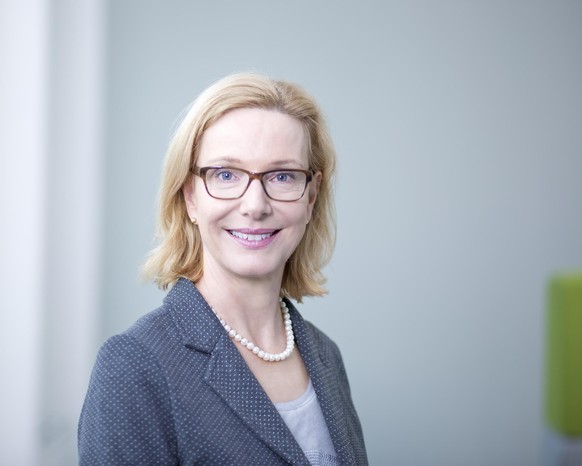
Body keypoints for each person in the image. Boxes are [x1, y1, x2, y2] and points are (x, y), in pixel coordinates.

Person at [78, 73, 368, 465]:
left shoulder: (324, 356)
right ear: (190, 197)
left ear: (310, 197)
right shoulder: (134, 365)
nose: (255, 205)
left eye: (282, 176)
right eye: (226, 175)